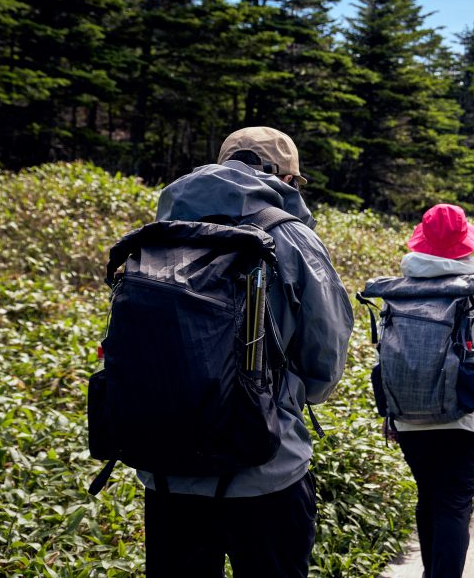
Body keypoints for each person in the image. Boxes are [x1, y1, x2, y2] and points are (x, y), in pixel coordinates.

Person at [142, 126, 353, 577]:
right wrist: (294, 394)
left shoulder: (160, 233)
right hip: (267, 470)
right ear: (287, 179)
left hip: (167, 471)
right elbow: (326, 353)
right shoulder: (292, 238)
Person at [393, 204, 474, 578]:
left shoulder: (399, 287)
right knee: (453, 503)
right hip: (468, 416)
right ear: (466, 243)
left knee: (429, 496)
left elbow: (392, 355)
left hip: (409, 415)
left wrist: (392, 411)